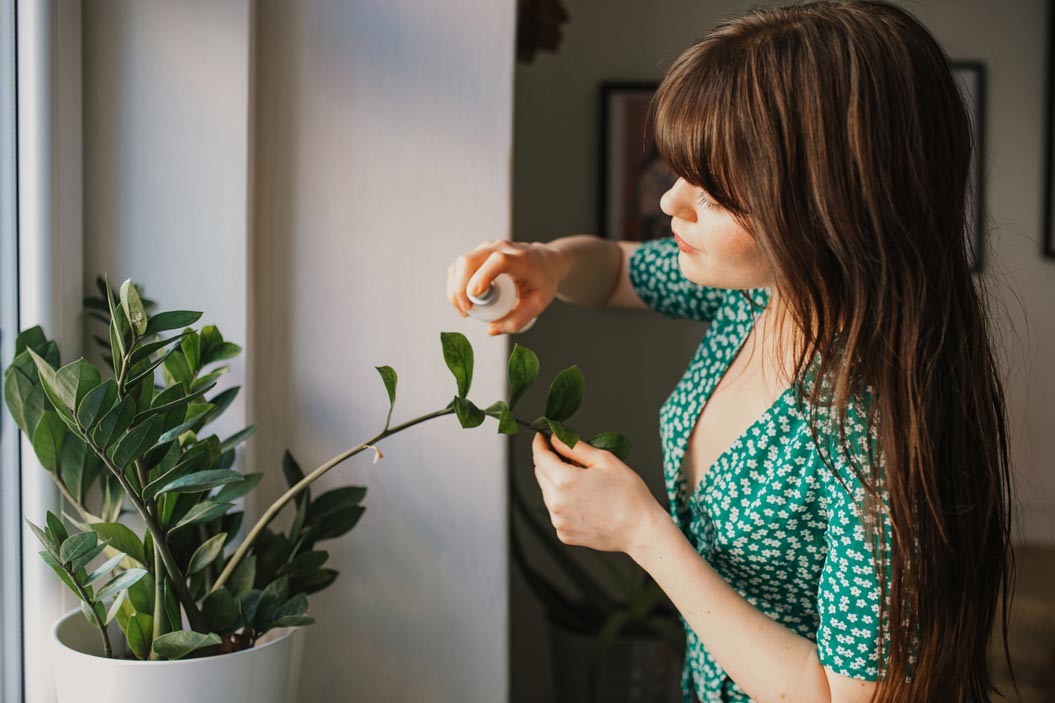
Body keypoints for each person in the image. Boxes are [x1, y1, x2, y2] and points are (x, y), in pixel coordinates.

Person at [445, 2, 1014, 701]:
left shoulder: (875, 425)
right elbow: (616, 271)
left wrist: (641, 532)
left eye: (711, 195)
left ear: (823, 206)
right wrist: (545, 263)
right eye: (680, 172)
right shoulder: (763, 295)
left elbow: (847, 697)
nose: (670, 204)